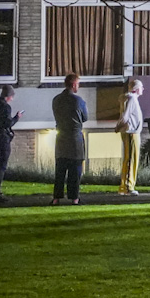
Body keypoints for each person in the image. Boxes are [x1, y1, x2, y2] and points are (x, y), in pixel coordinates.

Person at [51, 72, 89, 205]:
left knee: (60, 170)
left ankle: (56, 198)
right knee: (75, 169)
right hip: (75, 139)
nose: (78, 86)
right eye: (78, 84)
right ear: (73, 85)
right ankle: (74, 198)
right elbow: (85, 117)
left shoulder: (56, 100)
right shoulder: (78, 101)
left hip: (61, 137)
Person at [0, 84, 20, 202]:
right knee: (2, 166)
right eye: (12, 96)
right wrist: (17, 117)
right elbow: (8, 123)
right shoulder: (6, 107)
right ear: (9, 96)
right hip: (3, 139)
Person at [117, 77, 145, 195]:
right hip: (131, 132)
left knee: (130, 158)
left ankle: (126, 185)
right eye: (141, 87)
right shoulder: (132, 99)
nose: (143, 89)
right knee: (131, 159)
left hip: (131, 131)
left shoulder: (129, 98)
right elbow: (126, 115)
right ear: (137, 89)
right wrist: (119, 126)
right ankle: (128, 186)